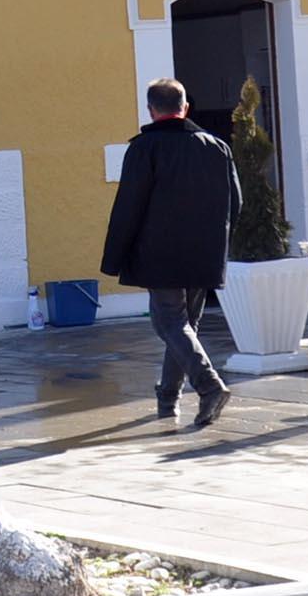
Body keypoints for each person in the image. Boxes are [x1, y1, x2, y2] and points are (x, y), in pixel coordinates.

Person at [99, 77, 240, 430]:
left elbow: (128, 207)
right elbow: (235, 203)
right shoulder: (217, 147)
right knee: (184, 326)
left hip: (159, 254)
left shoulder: (144, 149)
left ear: (151, 110)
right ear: (185, 108)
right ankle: (168, 397)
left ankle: (209, 386)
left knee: (170, 324)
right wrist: (218, 243)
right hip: (203, 253)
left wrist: (114, 257)